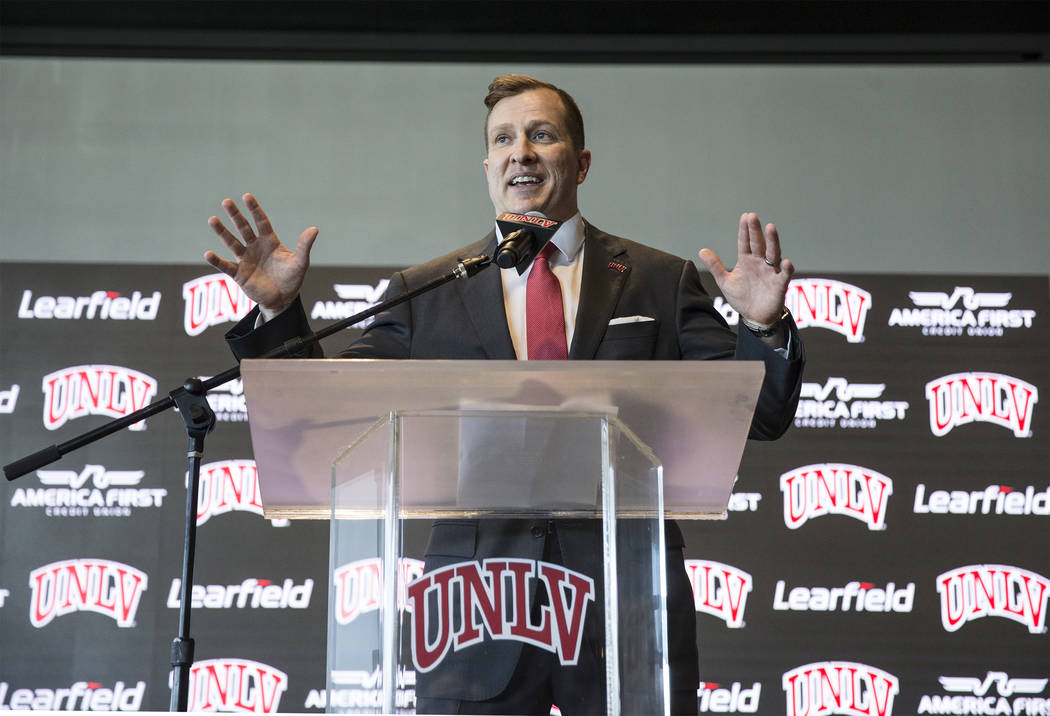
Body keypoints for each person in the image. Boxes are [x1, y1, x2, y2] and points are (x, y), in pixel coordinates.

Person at [206, 74, 804, 715]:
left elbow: (760, 416)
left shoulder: (660, 281)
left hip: (624, 606)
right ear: (489, 166)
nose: (521, 151)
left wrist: (763, 327)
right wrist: (280, 315)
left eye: (541, 135)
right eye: (504, 139)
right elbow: (330, 414)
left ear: (581, 162)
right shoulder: (428, 288)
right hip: (474, 606)